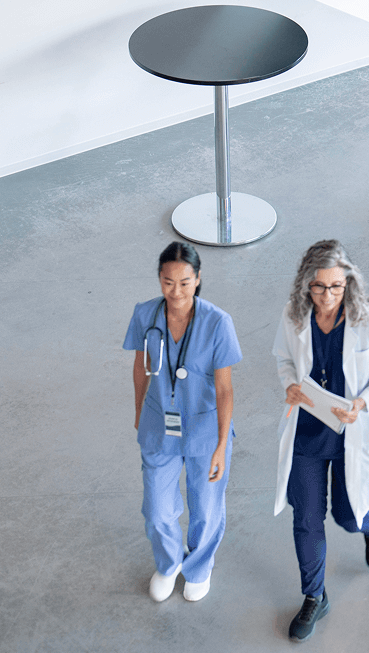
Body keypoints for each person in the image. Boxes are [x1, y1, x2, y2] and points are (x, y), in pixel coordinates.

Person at [271, 240, 369, 642]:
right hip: (308, 433)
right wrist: (290, 386)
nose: (327, 297)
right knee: (307, 518)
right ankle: (314, 597)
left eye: (335, 287)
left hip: (352, 432)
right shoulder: (294, 317)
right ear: (304, 286)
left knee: (349, 517)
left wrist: (363, 402)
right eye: (318, 288)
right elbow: (283, 361)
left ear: (348, 283)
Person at [123, 241, 241, 603]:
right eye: (168, 282)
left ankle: (199, 566)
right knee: (158, 508)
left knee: (205, 506)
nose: (176, 292)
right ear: (159, 280)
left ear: (198, 279)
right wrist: (140, 411)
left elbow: (224, 389)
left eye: (185, 282)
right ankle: (169, 561)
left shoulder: (217, 322)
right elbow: (141, 369)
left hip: (205, 432)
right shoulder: (146, 315)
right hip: (159, 426)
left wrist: (222, 444)